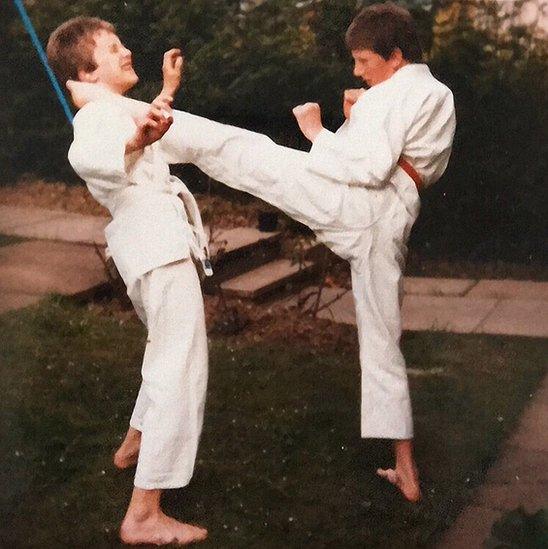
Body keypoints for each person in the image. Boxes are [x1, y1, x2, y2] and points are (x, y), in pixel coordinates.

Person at [68, 1, 456, 505]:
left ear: (395, 54)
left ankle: (94, 97)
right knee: (383, 338)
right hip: (388, 219)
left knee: (243, 150)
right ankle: (406, 470)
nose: (356, 70)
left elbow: (368, 166)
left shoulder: (400, 93)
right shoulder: (425, 92)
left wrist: (317, 129)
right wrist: (355, 120)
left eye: (362, 60)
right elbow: (384, 158)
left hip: (359, 204)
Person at [47, 17, 210, 545]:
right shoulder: (96, 116)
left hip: (152, 246)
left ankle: (134, 444)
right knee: (179, 366)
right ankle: (144, 512)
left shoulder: (112, 109)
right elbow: (88, 154)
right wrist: (132, 143)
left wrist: (166, 92)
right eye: (112, 48)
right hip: (157, 248)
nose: (126, 51)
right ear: (86, 71)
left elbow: (145, 123)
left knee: (166, 351)